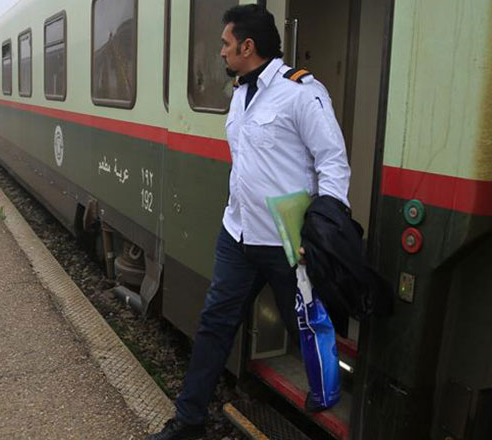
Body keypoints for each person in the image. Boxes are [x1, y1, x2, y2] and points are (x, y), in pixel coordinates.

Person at [145, 5, 351, 440]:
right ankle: (189, 420)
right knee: (214, 325)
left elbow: (332, 161)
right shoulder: (240, 92)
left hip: (285, 241)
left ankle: (326, 389)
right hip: (237, 234)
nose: (221, 51)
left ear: (247, 46)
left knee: (308, 321)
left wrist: (327, 224)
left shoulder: (302, 93)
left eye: (224, 43)